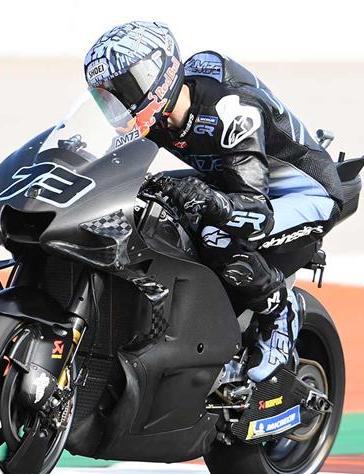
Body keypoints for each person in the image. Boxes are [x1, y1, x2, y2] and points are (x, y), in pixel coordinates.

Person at [84, 21, 344, 381]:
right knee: (151, 207)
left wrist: (210, 201)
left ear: (159, 73)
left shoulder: (231, 111)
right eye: (108, 96)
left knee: (214, 232)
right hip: (232, 180)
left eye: (126, 87)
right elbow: (95, 160)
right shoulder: (154, 116)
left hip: (300, 193)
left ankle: (277, 311)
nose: (120, 103)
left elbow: (257, 212)